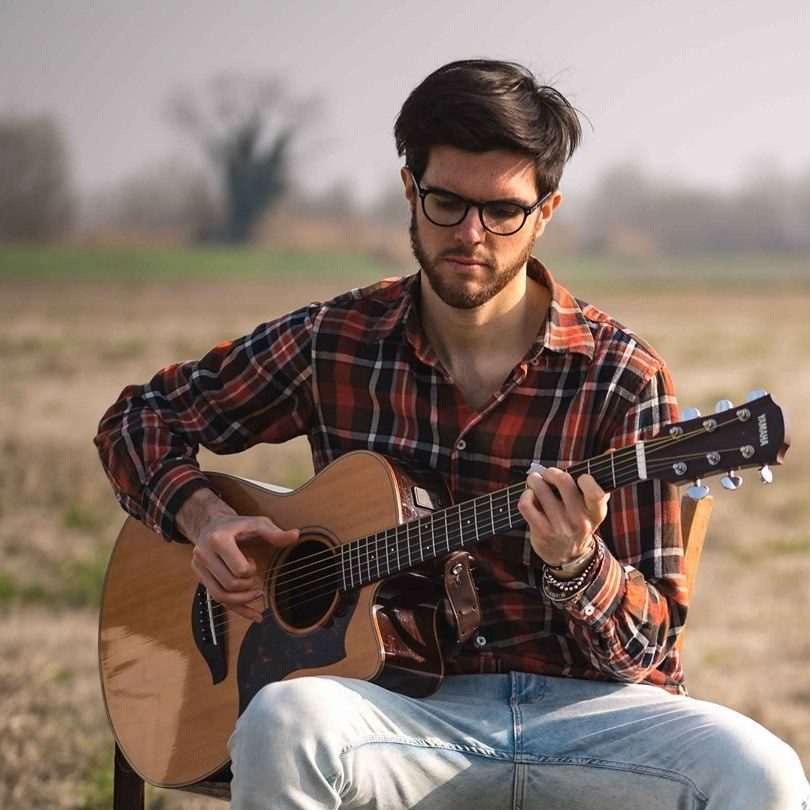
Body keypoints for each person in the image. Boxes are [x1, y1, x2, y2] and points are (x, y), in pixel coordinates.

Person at [95, 59, 808, 809]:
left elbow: (649, 651)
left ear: (546, 211)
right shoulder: (335, 341)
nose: (471, 234)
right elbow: (137, 421)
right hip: (401, 715)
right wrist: (204, 516)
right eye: (446, 203)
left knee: (764, 773)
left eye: (502, 211)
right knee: (283, 719)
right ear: (410, 190)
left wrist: (576, 564)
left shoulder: (621, 376)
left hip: (590, 717)